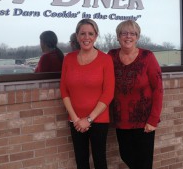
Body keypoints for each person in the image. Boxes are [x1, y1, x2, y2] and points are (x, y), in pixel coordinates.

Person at [108, 20, 163, 169]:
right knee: (126, 155)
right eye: (124, 33)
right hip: (121, 119)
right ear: (118, 37)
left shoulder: (147, 56)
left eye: (132, 33)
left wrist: (153, 119)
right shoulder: (111, 56)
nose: (128, 36)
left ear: (137, 37)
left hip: (144, 121)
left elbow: (158, 89)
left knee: (144, 161)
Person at [60, 19, 115, 169]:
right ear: (77, 36)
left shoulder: (106, 60)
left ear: (96, 36)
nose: (86, 37)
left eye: (90, 33)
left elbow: (108, 93)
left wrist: (89, 119)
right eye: (82, 33)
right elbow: (64, 90)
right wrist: (76, 119)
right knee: (81, 161)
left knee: (99, 161)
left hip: (98, 119)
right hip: (76, 120)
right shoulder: (68, 59)